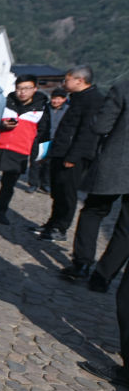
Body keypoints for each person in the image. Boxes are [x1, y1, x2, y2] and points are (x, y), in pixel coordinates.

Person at [60, 79, 129, 288]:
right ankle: (103, 276)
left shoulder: (123, 86)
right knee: (127, 227)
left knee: (93, 211)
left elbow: (101, 126)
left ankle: (82, 264)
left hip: (116, 163)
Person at [34, 66, 105, 241]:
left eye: (67, 80)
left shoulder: (93, 100)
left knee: (67, 192)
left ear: (79, 80)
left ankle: (60, 227)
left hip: (74, 155)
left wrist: (73, 156)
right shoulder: (76, 98)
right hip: (61, 151)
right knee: (57, 190)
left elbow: (87, 132)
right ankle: (52, 223)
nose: (64, 83)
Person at [0, 75, 50, 224]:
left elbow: (43, 134)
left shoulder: (42, 108)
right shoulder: (6, 102)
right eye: (19, 88)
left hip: (20, 152)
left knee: (8, 185)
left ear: (35, 89)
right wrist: (2, 126)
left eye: (27, 88)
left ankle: (0, 212)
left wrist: (40, 156)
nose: (22, 92)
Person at [28, 88, 68, 192]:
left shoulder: (68, 110)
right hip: (42, 138)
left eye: (59, 99)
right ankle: (33, 184)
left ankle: (45, 184)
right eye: (54, 98)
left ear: (64, 99)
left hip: (56, 140)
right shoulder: (44, 107)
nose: (55, 101)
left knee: (49, 164)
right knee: (36, 161)